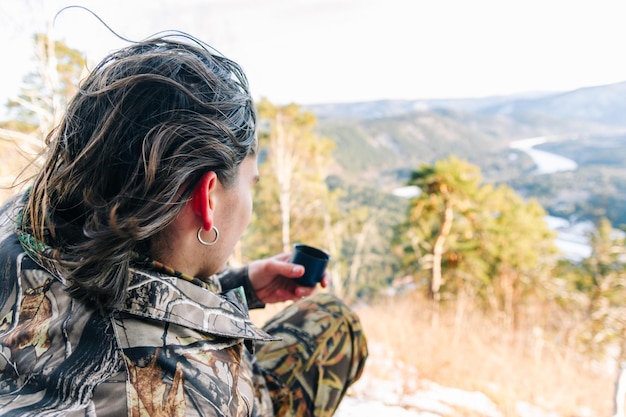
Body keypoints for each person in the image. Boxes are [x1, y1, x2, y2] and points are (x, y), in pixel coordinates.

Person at [0, 32, 367, 417]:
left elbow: (113, 299)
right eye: (249, 183)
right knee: (333, 320)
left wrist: (237, 287)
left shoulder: (22, 222)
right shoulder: (197, 395)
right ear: (208, 199)